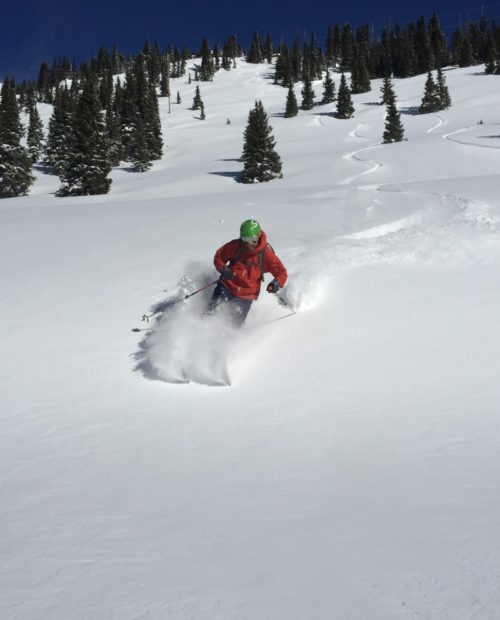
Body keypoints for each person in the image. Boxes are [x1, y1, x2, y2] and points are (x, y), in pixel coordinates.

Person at [206, 219, 288, 326]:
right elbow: (219, 257)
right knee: (212, 311)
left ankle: (228, 340)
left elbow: (281, 272)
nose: (249, 244)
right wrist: (223, 269)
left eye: (253, 240)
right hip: (227, 285)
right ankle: (201, 328)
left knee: (234, 324)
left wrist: (276, 283)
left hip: (247, 294)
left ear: (258, 236)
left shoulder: (266, 254)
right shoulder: (235, 246)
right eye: (245, 240)